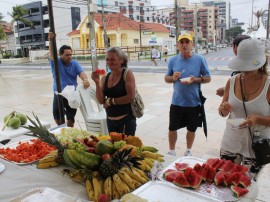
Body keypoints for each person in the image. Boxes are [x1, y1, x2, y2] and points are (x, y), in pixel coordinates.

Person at [218, 38, 269, 178]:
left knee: (245, 190)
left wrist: (257, 119)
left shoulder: (268, 85)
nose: (244, 71)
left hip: (255, 150)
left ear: (259, 64)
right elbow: (222, 112)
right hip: (230, 144)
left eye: (249, 68)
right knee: (223, 183)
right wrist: (223, 108)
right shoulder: (232, 81)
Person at [164, 33, 211, 156]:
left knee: (191, 129)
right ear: (178, 45)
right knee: (172, 128)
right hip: (177, 102)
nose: (184, 45)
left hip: (194, 102)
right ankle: (172, 151)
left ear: (192, 44)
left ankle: (188, 150)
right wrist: (173, 78)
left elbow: (208, 78)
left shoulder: (200, 59)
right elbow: (166, 78)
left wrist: (194, 80)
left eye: (187, 42)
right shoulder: (173, 60)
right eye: (181, 42)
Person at [91, 47, 137, 136]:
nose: (109, 62)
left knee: (126, 148)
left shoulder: (127, 74)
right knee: (113, 148)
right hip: (111, 120)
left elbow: (130, 97)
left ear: (121, 60)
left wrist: (111, 101)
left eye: (113, 59)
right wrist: (97, 82)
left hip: (126, 120)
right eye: (107, 60)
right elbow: (101, 101)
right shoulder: (104, 78)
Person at [48, 32, 90, 127]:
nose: (69, 57)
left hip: (72, 94)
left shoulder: (74, 63)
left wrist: (85, 80)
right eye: (67, 55)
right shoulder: (57, 63)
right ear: (60, 55)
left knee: (71, 116)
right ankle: (62, 128)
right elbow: (51, 54)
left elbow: (81, 73)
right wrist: (51, 41)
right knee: (57, 115)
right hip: (59, 93)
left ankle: (70, 131)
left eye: (71, 54)